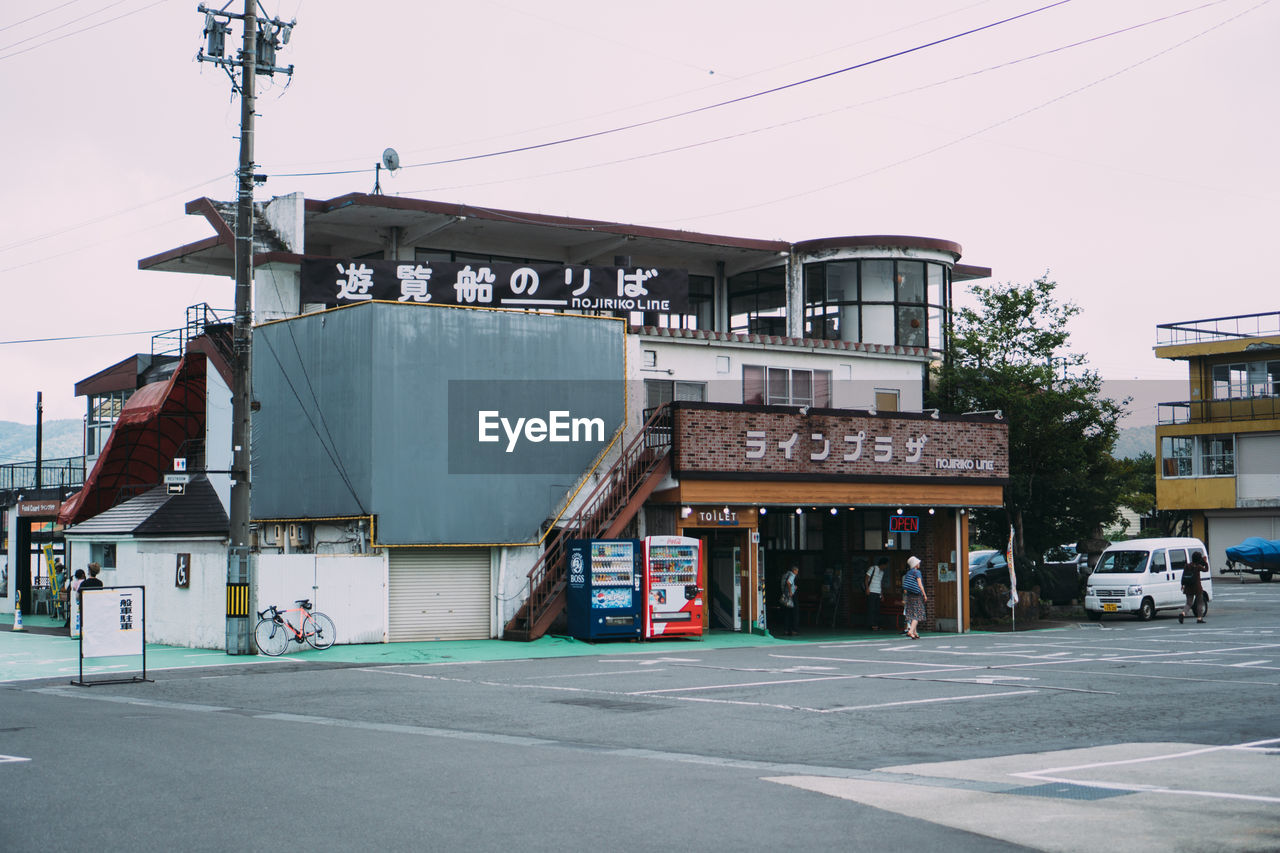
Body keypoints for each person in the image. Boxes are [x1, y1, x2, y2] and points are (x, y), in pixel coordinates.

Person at [903, 555, 927, 640]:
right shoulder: (917, 572)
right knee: (917, 614)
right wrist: (924, 594)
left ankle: (915, 632)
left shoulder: (908, 573)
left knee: (912, 613)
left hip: (910, 596)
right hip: (917, 595)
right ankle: (910, 631)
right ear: (915, 564)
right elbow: (920, 585)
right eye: (918, 562)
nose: (919, 563)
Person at [1180, 553, 1206, 624]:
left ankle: (1183, 613)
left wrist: (1182, 585)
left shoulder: (1187, 566)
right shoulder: (1198, 566)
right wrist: (1205, 562)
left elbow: (1183, 576)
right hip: (1197, 587)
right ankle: (1199, 618)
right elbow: (1206, 569)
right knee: (1199, 603)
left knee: (1188, 603)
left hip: (1188, 586)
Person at [865, 556, 888, 631]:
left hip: (878, 592)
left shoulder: (882, 572)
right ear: (883, 564)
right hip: (871, 591)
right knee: (871, 608)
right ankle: (871, 625)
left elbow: (880, 582)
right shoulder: (873, 568)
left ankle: (876, 624)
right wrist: (867, 588)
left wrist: (882, 594)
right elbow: (866, 578)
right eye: (886, 565)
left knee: (877, 609)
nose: (886, 566)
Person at [779, 566, 799, 637]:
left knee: (787, 613)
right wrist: (791, 591)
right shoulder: (792, 575)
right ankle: (794, 630)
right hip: (791, 596)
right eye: (797, 571)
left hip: (785, 596)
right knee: (795, 613)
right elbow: (788, 582)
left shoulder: (785, 575)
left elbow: (784, 584)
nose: (797, 573)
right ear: (794, 570)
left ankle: (786, 630)